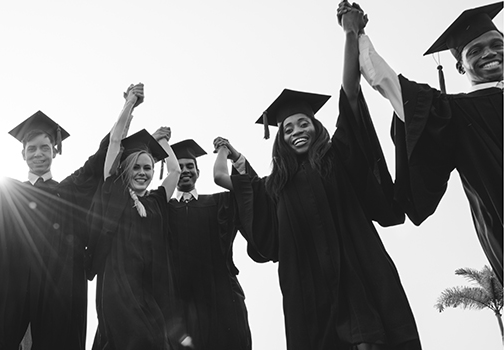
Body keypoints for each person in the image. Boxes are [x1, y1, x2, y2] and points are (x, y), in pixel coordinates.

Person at [213, 23, 421, 347]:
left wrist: (350, 34)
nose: (297, 130)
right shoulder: (275, 187)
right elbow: (229, 181)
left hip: (359, 274)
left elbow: (350, 97)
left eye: (303, 123)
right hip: (308, 295)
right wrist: (230, 152)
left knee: (372, 339)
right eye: (288, 128)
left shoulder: (337, 157)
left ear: (316, 126)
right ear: (279, 139)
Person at [340, 0, 503, 281]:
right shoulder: (453, 113)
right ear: (460, 67)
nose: (490, 53)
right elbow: (387, 82)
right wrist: (357, 34)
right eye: (475, 50)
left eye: (497, 44)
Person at [0, 103, 109, 349]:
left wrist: (128, 108)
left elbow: (99, 160)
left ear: (55, 151)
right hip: (9, 280)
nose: (38, 154)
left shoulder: (68, 190)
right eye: (32, 148)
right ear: (23, 154)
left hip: (57, 286)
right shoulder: (7, 191)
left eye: (45, 148)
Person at [85, 83, 182, 349]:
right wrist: (129, 104)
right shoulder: (114, 190)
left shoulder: (155, 203)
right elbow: (115, 142)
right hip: (117, 287)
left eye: (148, 168)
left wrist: (163, 143)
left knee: (154, 339)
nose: (142, 172)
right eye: (136, 167)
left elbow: (173, 172)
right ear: (126, 169)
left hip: (148, 289)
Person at [165, 139, 265, 349]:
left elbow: (252, 192)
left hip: (222, 302)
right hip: (178, 306)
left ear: (198, 172)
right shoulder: (161, 209)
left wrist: (233, 155)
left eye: (190, 166)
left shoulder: (221, 204)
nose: (185, 170)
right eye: (179, 166)